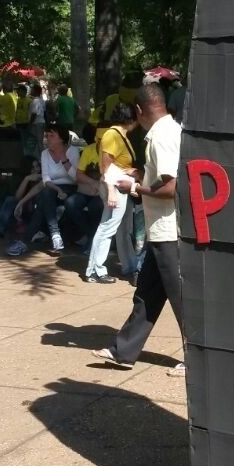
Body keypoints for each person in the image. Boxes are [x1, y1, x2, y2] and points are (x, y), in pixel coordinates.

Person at [93, 83, 184, 372]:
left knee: (182, 300)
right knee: (147, 293)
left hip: (169, 232)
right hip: (161, 231)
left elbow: (171, 187)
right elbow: (165, 179)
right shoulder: (169, 131)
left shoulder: (161, 137)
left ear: (139, 110)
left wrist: (134, 186)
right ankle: (123, 350)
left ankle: (199, 358)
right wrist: (142, 179)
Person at [84, 105, 138, 283]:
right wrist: (111, 192)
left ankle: (129, 265)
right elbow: (106, 167)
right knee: (108, 227)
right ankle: (95, 269)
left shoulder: (118, 135)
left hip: (119, 186)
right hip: (113, 186)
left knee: (122, 229)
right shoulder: (112, 135)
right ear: (131, 120)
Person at [6, 124, 79, 256]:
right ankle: (55, 235)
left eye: (51, 136)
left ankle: (26, 241)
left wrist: (63, 158)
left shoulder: (73, 151)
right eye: (46, 136)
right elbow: (46, 179)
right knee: (45, 195)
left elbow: (76, 178)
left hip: (71, 188)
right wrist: (57, 189)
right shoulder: (45, 154)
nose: (47, 139)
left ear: (61, 139)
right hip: (52, 189)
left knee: (42, 201)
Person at [0, 161, 43, 239]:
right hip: (20, 214)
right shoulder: (24, 180)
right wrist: (26, 179)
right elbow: (17, 197)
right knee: (10, 200)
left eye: (37, 166)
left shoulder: (44, 179)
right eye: (33, 168)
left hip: (35, 215)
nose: (36, 170)